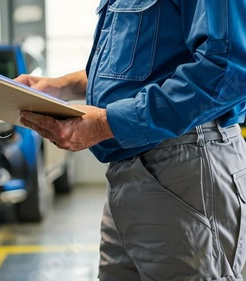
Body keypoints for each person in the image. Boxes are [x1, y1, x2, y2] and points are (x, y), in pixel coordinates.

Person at [15, 1, 246, 280]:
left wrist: (104, 124)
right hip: (128, 169)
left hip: (187, 164)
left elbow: (229, 69)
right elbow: (141, 69)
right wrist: (60, 86)